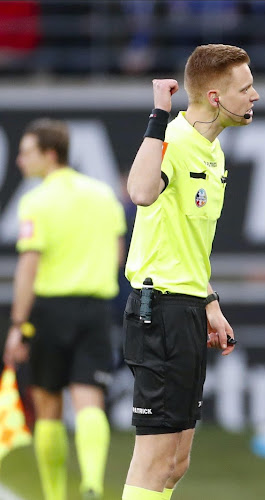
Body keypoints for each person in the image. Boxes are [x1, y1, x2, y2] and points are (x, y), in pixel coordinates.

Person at [122, 44, 258, 500]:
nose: (255, 95)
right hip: (157, 310)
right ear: (216, 96)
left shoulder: (213, 153)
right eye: (246, 87)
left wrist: (209, 300)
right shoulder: (174, 140)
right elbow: (140, 191)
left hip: (187, 307)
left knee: (176, 465)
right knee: (154, 460)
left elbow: (188, 243)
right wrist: (159, 113)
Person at [3, 118, 126, 500]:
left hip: (50, 310)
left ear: (49, 154)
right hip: (95, 307)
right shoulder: (103, 194)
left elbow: (28, 267)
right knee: (90, 398)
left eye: (27, 153)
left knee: (47, 402)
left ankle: (54, 495)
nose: (21, 161)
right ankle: (91, 481)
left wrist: (18, 324)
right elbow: (119, 248)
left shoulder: (37, 201)